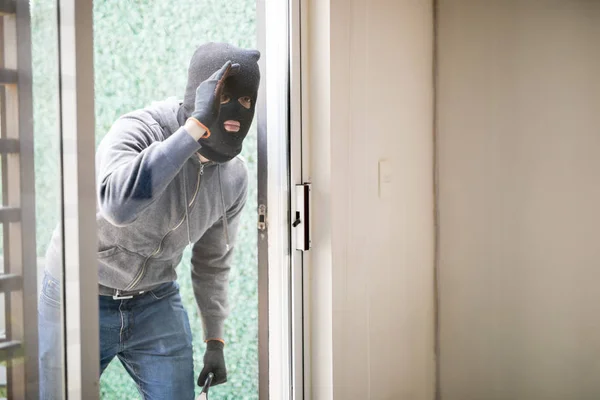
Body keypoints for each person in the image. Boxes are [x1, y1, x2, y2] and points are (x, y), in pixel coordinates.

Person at [38, 42, 260, 399]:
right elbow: (118, 206)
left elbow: (213, 261)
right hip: (75, 293)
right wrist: (190, 133)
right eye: (224, 96)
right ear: (199, 95)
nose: (236, 110)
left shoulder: (234, 177)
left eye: (247, 101)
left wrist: (215, 338)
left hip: (153, 301)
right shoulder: (139, 129)